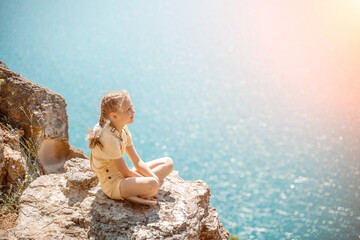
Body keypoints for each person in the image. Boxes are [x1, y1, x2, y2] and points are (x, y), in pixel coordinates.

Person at [86, 90, 173, 205]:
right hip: (114, 185)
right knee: (152, 184)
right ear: (114, 116)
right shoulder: (108, 139)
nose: (133, 111)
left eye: (131, 107)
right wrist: (153, 182)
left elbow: (137, 162)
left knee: (168, 163)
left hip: (124, 177)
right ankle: (136, 192)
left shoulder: (124, 130)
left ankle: (140, 189)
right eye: (128, 110)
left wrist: (154, 179)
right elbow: (126, 171)